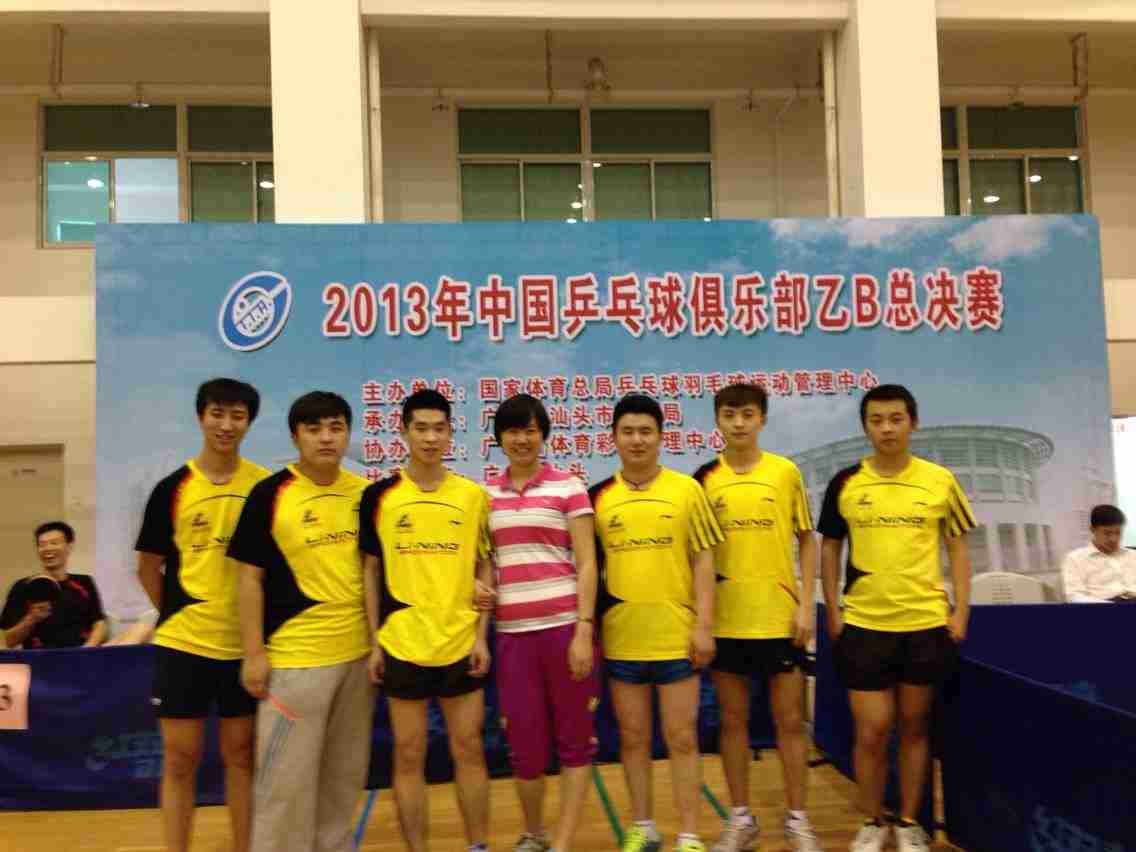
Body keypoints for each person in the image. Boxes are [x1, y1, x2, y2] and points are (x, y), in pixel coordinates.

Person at [818, 384, 975, 852]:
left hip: (924, 624)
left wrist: (960, 611)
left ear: (913, 423)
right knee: (871, 731)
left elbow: (957, 547)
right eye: (876, 420)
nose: (886, 428)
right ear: (866, 427)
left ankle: (908, 822)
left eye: (895, 419)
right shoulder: (846, 483)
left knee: (914, 728)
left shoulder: (940, 481)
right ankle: (871, 819)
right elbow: (830, 548)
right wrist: (832, 609)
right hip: (865, 626)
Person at [228, 391, 373, 852]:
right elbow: (248, 579)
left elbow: (380, 572)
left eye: (335, 428)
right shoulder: (269, 494)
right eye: (314, 429)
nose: (326, 438)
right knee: (284, 787)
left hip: (358, 659)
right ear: (295, 437)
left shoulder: (365, 494)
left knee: (342, 778)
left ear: (347, 434)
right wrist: (254, 654)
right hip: (294, 663)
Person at [134, 378, 268, 852]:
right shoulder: (172, 489)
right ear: (201, 417)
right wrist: (178, 616)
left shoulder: (264, 487)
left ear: (249, 422)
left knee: (242, 757)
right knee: (179, 760)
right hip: (183, 646)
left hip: (244, 649)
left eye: (237, 416)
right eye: (217, 413)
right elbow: (148, 568)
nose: (226, 425)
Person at [358, 389, 494, 852]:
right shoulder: (380, 497)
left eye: (439, 428)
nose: (431, 437)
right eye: (421, 428)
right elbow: (370, 572)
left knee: (468, 749)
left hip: (460, 642)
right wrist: (375, 642)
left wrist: (482, 637)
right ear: (404, 432)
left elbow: (485, 567)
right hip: (402, 643)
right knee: (408, 753)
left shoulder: (472, 496)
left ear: (451, 433)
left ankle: (477, 846)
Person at [589, 393, 724, 852]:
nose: (637, 440)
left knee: (682, 739)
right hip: (622, 639)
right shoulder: (598, 498)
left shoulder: (687, 490)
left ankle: (689, 834)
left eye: (646, 431)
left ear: (661, 437)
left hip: (677, 639)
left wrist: (703, 626)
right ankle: (642, 827)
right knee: (632, 739)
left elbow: (704, 560)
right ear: (613, 438)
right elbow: (588, 569)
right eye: (627, 431)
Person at [693, 384, 822, 852]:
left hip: (779, 619)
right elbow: (698, 552)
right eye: (730, 414)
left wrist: (805, 605)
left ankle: (798, 820)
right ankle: (741, 819)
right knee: (733, 724)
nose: (739, 423)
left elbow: (806, 539)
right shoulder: (705, 478)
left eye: (748, 414)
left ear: (762, 419)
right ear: (718, 421)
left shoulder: (785, 473)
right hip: (728, 621)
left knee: (790, 722)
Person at [482, 393, 600, 852]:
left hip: (565, 630)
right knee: (524, 748)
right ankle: (534, 834)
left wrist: (584, 630)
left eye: (530, 430)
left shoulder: (569, 487)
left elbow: (587, 563)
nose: (522, 439)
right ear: (499, 438)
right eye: (513, 430)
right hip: (513, 639)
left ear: (543, 435)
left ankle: (563, 843)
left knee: (575, 742)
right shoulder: (485, 497)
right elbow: (483, 566)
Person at [1, 521, 106, 649]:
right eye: (42, 545)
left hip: (80, 655)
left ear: (69, 546)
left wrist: (86, 650)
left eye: (54, 543)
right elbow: (7, 641)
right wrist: (32, 618)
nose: (48, 548)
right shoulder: (22, 587)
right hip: (38, 658)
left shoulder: (85, 582)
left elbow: (99, 623)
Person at [1061, 504, 1136, 602]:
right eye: (1107, 533)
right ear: (1092, 530)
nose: (1114, 539)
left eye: (1118, 532)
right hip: (1103, 604)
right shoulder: (1075, 559)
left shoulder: (1132, 555)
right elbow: (1074, 596)